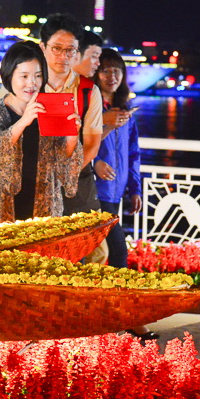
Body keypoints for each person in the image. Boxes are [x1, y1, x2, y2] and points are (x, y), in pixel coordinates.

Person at [0, 41, 83, 223]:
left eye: (38, 76)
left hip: (45, 206)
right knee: (8, 250)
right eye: (24, 76)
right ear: (9, 76)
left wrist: (72, 136)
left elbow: (64, 161)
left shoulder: (51, 109)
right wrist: (23, 121)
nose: (31, 83)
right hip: (8, 207)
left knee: (43, 249)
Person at [37, 14, 104, 217]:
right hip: (30, 180)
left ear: (77, 52)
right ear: (42, 48)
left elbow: (92, 144)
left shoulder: (88, 90)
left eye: (70, 50)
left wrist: (63, 175)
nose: (63, 56)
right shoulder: (22, 83)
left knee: (90, 245)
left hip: (75, 181)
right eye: (56, 48)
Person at [92, 48, 142, 268]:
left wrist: (135, 189)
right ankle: (115, 297)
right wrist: (94, 164)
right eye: (105, 71)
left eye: (117, 71)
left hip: (116, 191)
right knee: (118, 250)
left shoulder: (125, 111)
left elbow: (133, 154)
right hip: (96, 191)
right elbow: (76, 141)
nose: (112, 76)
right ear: (96, 74)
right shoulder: (92, 107)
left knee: (110, 252)